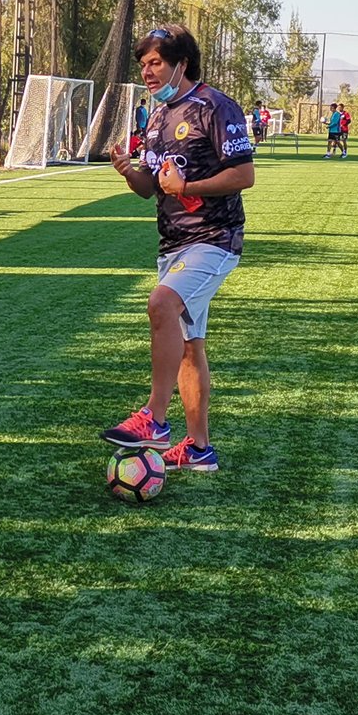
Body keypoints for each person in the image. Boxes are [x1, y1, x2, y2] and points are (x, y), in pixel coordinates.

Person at [101, 25, 255, 473]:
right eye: (144, 64)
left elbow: (243, 175)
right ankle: (200, 449)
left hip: (215, 238)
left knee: (161, 304)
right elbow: (150, 189)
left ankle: (155, 419)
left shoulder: (216, 106)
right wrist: (129, 172)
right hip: (174, 242)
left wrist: (188, 185)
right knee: (190, 345)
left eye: (156, 63)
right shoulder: (157, 116)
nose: (148, 72)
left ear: (181, 63)